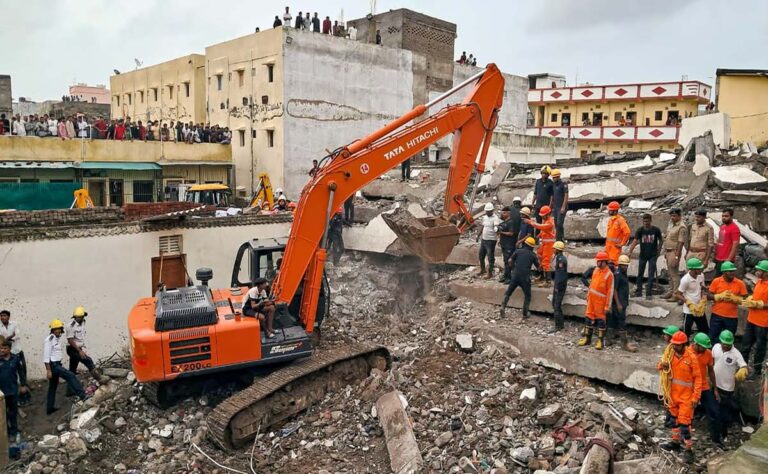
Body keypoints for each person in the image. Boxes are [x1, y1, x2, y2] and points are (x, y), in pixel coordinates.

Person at [658, 331, 702, 463]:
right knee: (673, 421)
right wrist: (662, 365)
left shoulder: (691, 358)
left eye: (677, 345)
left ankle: (689, 450)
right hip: (673, 395)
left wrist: (696, 397)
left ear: (684, 344)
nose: (674, 346)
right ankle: (675, 443)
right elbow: (660, 367)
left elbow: (698, 379)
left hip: (686, 397)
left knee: (684, 425)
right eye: (674, 344)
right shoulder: (670, 355)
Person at [711, 330, 748, 448]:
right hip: (714, 384)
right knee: (714, 410)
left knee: (723, 413)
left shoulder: (736, 354)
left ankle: (723, 433)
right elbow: (711, 361)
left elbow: (744, 365)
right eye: (724, 344)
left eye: (728, 344)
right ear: (720, 342)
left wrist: (743, 370)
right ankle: (714, 433)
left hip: (727, 388)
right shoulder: (716, 347)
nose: (726, 346)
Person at [44, 319, 88, 414]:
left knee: (53, 387)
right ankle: (83, 396)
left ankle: (50, 408)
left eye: (59, 329)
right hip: (53, 365)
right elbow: (46, 356)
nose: (58, 331)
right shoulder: (49, 340)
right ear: (52, 330)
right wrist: (48, 370)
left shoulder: (56, 339)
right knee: (71, 375)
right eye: (55, 329)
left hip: (56, 364)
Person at [578, 251, 614, 350]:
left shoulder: (609, 275)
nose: (597, 263)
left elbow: (610, 292)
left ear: (604, 262)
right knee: (588, 318)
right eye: (597, 261)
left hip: (601, 302)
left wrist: (607, 306)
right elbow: (592, 285)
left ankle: (600, 341)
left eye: (599, 261)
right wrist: (588, 296)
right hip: (592, 300)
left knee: (601, 321)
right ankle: (587, 338)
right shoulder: (595, 271)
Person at [66, 306, 108, 386]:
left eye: (81, 317)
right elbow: (70, 340)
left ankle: (70, 390)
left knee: (72, 370)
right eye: (78, 317)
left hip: (78, 348)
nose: (80, 318)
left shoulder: (83, 322)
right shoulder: (70, 326)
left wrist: (81, 348)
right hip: (72, 349)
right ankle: (100, 379)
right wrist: (79, 351)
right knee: (88, 361)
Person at [500, 237, 540, 319]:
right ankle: (525, 313)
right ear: (532, 247)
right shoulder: (533, 255)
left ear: (524, 244)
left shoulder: (518, 251)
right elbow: (539, 268)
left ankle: (503, 307)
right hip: (525, 277)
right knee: (527, 296)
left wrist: (513, 268)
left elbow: (509, 261)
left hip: (515, 275)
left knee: (508, 292)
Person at [707, 261, 747, 342]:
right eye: (730, 271)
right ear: (724, 272)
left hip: (731, 317)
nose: (732, 273)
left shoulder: (740, 283)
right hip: (716, 315)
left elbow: (745, 299)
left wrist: (735, 298)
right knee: (712, 337)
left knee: (729, 339)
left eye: (733, 271)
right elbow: (708, 296)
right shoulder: (716, 281)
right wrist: (718, 296)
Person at [690, 333, 718, 446]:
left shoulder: (707, 354)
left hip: (703, 386)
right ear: (695, 344)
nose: (705, 349)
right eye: (703, 347)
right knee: (686, 412)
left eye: (706, 348)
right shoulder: (687, 353)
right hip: (690, 387)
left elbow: (711, 371)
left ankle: (716, 439)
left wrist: (715, 388)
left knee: (713, 411)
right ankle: (684, 436)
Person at [741, 259, 768, 379]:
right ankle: (742, 367)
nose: (757, 272)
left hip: (763, 322)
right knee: (746, 344)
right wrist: (751, 299)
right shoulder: (759, 282)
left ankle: (756, 371)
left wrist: (760, 304)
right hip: (751, 319)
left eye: (760, 270)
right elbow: (756, 295)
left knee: (759, 347)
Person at [628, 213, 662, 299]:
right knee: (640, 274)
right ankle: (639, 291)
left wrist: (659, 251)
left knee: (651, 274)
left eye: (647, 221)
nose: (646, 223)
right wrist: (630, 252)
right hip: (643, 255)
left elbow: (661, 240)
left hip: (653, 255)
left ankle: (649, 293)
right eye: (644, 221)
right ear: (643, 221)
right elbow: (635, 241)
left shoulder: (656, 230)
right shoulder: (640, 230)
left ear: (651, 221)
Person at [0, 310, 30, 405]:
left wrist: (6, 339)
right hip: (6, 354)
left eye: (4, 316)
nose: (2, 318)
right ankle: (14, 399)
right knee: (10, 376)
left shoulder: (15, 324)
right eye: (1, 316)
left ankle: (24, 396)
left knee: (22, 373)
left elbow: (17, 335)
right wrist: (9, 338)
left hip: (17, 351)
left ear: (8, 317)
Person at [609, 255, 638, 351]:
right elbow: (615, 290)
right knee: (621, 323)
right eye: (624, 265)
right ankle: (624, 344)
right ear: (620, 265)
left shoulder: (623, 273)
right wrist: (618, 304)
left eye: (626, 265)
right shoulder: (618, 274)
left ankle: (610, 339)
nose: (626, 267)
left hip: (623, 301)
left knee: (616, 321)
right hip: (619, 302)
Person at [0, 340, 26, 439]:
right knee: (3, 413)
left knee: (13, 412)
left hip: (13, 390)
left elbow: (21, 372)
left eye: (4, 348)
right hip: (1, 393)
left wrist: (23, 385)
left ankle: (14, 431)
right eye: (1, 348)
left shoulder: (15, 359)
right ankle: (5, 432)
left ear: (9, 349)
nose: (2, 350)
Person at [677, 258, 708, 336]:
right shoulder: (685, 280)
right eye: (699, 268)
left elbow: (702, 287)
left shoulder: (701, 276)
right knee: (686, 332)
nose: (701, 269)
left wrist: (704, 296)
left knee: (704, 330)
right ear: (693, 269)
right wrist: (688, 303)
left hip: (699, 308)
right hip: (689, 310)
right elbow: (678, 294)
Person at [525, 205, 555, 285]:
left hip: (549, 244)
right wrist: (538, 236)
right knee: (539, 255)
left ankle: (548, 281)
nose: (542, 217)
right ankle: (542, 276)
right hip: (544, 243)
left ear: (548, 214)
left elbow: (541, 227)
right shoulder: (545, 220)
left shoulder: (550, 222)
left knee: (546, 261)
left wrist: (530, 222)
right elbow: (543, 230)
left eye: (543, 215)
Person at [664, 208, 688, 301]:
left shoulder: (681, 227)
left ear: (679, 216)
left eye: (674, 216)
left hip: (674, 252)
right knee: (670, 273)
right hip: (668, 251)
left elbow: (680, 243)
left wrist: (677, 256)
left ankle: (676, 294)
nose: (672, 217)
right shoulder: (671, 225)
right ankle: (670, 291)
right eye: (671, 216)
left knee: (674, 274)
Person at [497, 204, 521, 284]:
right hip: (504, 244)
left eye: (504, 213)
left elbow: (511, 233)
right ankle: (506, 275)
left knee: (509, 261)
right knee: (505, 261)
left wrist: (502, 232)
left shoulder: (511, 222)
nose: (502, 214)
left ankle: (509, 278)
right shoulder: (504, 222)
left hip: (509, 245)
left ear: (508, 213)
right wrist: (499, 240)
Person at [476, 203, 500, 279]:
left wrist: (499, 238)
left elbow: (496, 228)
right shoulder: (485, 217)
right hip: (484, 239)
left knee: (490, 257)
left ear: (492, 210)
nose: (487, 212)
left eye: (488, 211)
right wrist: (478, 235)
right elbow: (482, 226)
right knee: (481, 256)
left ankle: (490, 273)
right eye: (486, 211)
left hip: (491, 240)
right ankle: (482, 270)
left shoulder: (495, 218)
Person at [604, 201, 631, 265]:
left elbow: (627, 232)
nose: (608, 211)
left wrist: (622, 243)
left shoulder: (620, 220)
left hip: (615, 249)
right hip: (608, 248)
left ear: (615, 211)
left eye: (610, 210)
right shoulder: (611, 220)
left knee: (614, 266)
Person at [715, 209, 740, 276]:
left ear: (731, 217)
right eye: (723, 216)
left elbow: (735, 244)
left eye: (726, 216)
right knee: (718, 279)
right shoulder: (722, 227)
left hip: (727, 259)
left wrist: (729, 259)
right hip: (719, 258)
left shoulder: (734, 228)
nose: (724, 218)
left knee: (726, 279)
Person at [551, 241, 568, 332]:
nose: (553, 250)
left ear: (557, 250)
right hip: (558, 284)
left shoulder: (561, 260)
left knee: (557, 305)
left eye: (554, 249)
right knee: (554, 304)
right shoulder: (559, 258)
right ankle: (560, 324)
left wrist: (557, 286)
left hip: (560, 285)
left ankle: (558, 326)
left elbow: (561, 275)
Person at [550, 169, 568, 241]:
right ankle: (561, 238)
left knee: (559, 223)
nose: (553, 179)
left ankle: (558, 239)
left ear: (558, 177)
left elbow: (566, 195)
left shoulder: (563, 184)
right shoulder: (553, 185)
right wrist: (551, 206)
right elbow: (553, 195)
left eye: (554, 177)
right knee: (556, 224)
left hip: (561, 206)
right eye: (553, 177)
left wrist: (563, 207)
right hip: (556, 207)